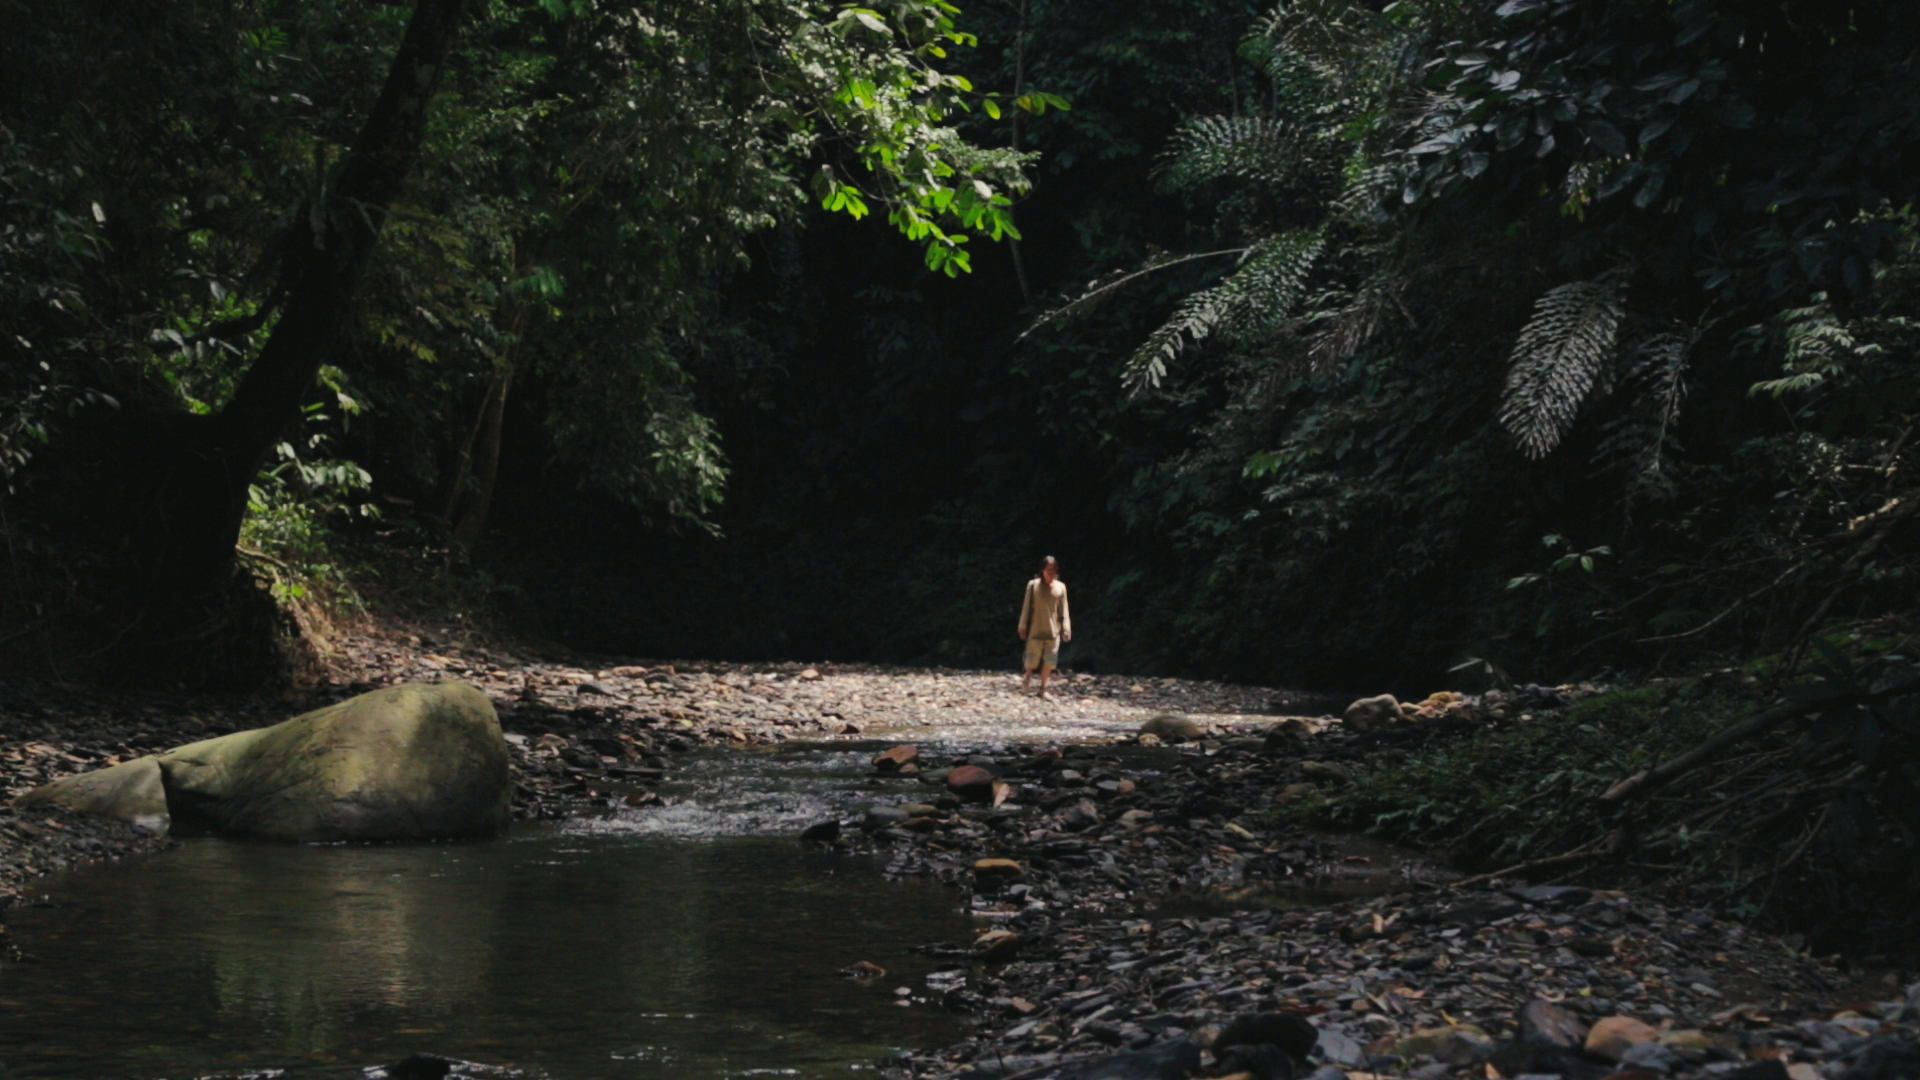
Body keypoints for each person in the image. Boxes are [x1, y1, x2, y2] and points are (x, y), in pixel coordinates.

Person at [1017, 556, 1072, 697]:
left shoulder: (1060, 587)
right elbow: (1026, 607)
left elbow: (1063, 610)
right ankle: (1027, 679)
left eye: (1053, 569)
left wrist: (1066, 629)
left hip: (1053, 631)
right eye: (1048, 569)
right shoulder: (1033, 586)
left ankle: (1043, 688)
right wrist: (1022, 625)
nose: (1051, 572)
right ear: (1042, 570)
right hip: (1035, 630)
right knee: (1030, 660)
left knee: (1050, 661)